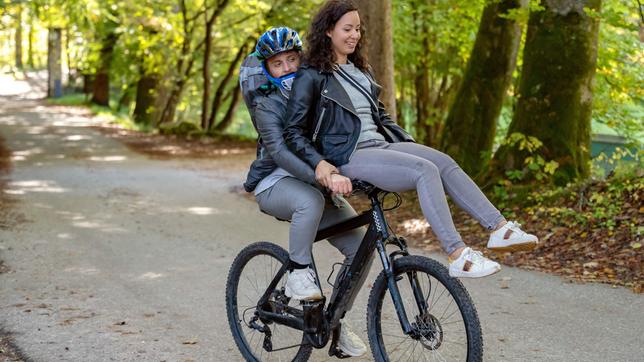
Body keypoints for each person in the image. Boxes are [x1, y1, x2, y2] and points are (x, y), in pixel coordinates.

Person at [284, 0, 538, 279]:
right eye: (347, 29)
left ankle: (499, 228)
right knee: (424, 170)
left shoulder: (361, 71)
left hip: (381, 146)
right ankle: (457, 254)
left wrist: (411, 145)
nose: (355, 35)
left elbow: (380, 117)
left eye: (358, 28)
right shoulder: (311, 75)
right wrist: (320, 163)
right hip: (346, 156)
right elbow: (293, 132)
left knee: (441, 160)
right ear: (329, 31)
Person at [243, 26, 368, 357]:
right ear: (267, 69)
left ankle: (336, 322)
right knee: (309, 200)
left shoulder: (319, 92)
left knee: (362, 247)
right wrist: (322, 176)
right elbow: (282, 152)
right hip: (276, 183)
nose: (287, 68)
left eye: (292, 59)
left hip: (317, 183)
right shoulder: (266, 104)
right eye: (277, 63)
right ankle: (299, 273)